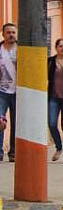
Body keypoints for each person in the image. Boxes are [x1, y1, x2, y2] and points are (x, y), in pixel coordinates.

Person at [0, 22, 16, 160]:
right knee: (0, 121)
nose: (11, 35)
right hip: (2, 91)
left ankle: (13, 153)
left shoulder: (21, 49)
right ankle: (0, 152)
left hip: (18, 92)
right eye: (8, 32)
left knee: (16, 122)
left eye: (13, 32)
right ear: (3, 34)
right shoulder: (0, 49)